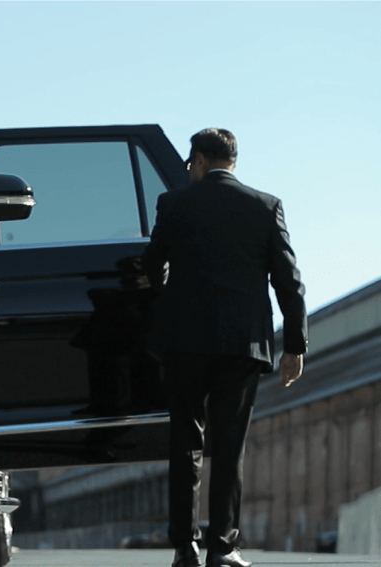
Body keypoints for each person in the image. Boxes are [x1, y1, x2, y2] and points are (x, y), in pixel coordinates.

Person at [141, 128, 307, 567]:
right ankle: (223, 547)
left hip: (184, 343)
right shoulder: (265, 207)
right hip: (242, 344)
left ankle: (184, 547)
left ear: (197, 159)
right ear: (232, 161)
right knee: (230, 447)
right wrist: (295, 346)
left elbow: (152, 266)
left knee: (185, 443)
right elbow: (289, 282)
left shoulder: (173, 204)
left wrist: (165, 295)